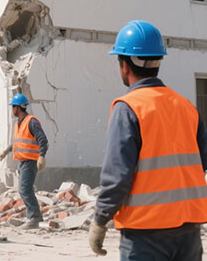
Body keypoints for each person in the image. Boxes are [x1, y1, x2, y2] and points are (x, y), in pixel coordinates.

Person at [89, 20, 207, 259]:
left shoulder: (128, 108)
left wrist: (100, 220)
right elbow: (200, 164)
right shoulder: (186, 107)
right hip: (189, 232)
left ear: (124, 65)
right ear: (157, 62)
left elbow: (117, 176)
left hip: (145, 235)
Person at [0, 93, 49, 229]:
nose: (12, 110)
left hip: (30, 161)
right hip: (22, 161)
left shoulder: (31, 121)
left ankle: (34, 218)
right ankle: (33, 216)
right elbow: (18, 142)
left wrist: (42, 156)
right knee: (24, 190)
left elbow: (42, 139)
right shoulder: (18, 124)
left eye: (13, 107)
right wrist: (6, 151)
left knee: (25, 190)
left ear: (18, 108)